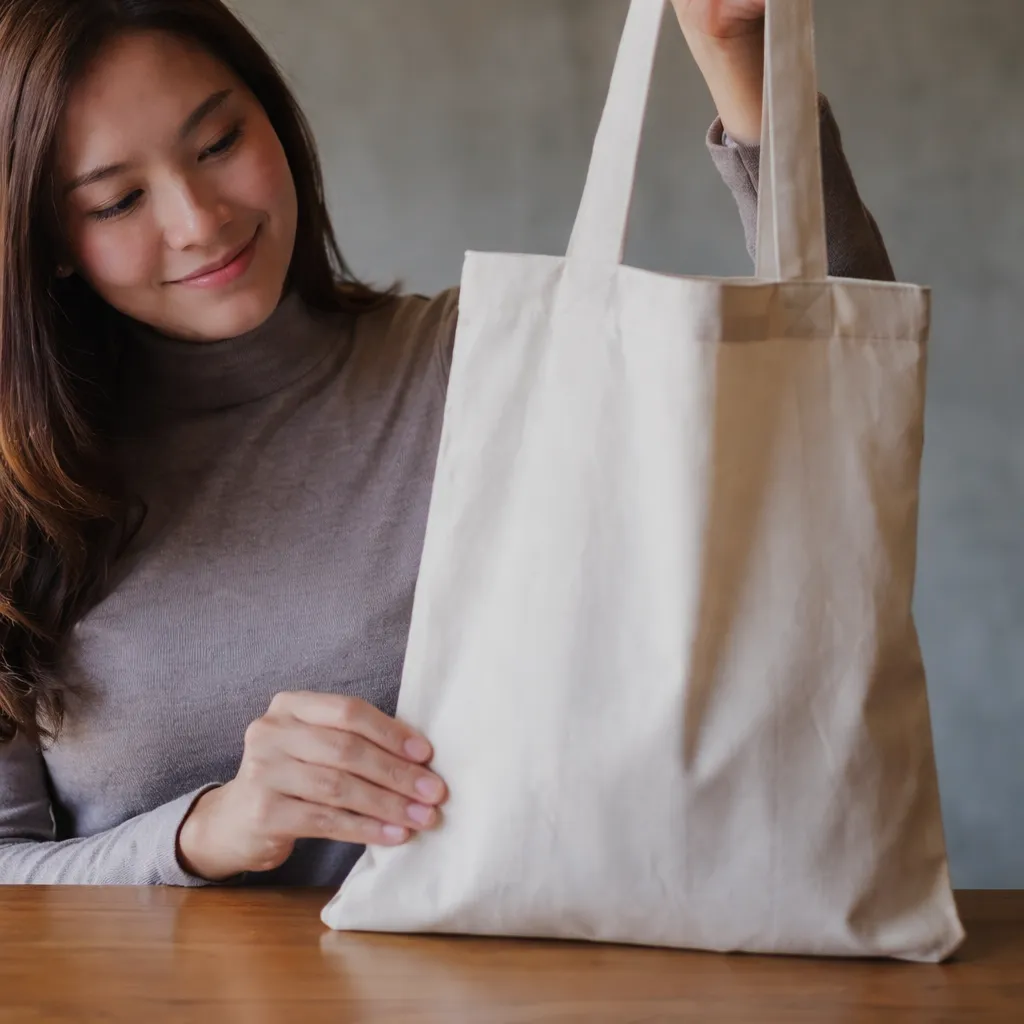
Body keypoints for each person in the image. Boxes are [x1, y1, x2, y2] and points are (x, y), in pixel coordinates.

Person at [0, 0, 895, 887]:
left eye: (221, 143)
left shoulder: (479, 368)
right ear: (50, 240)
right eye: (118, 200)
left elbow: (833, 396)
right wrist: (201, 832)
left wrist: (747, 67)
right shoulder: (26, 494)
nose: (198, 219)